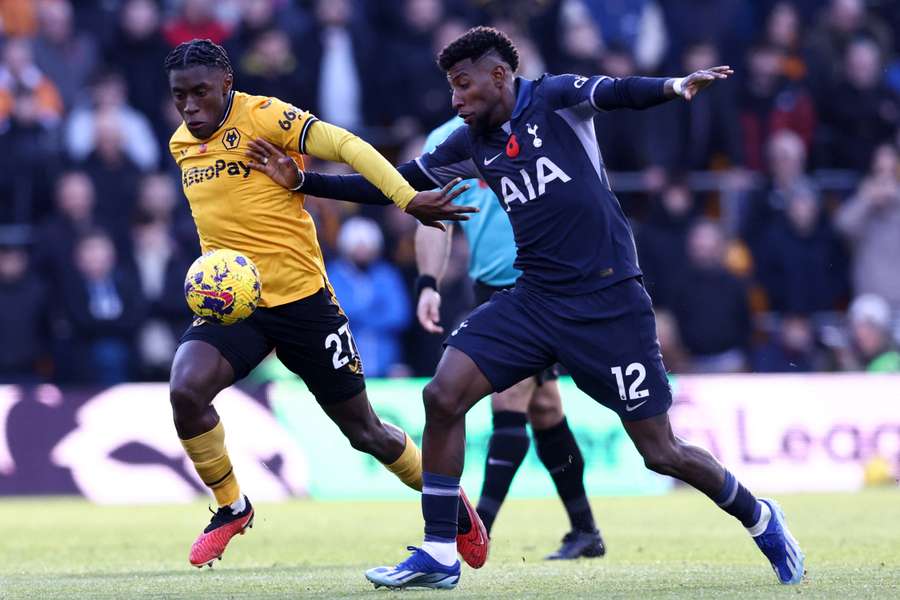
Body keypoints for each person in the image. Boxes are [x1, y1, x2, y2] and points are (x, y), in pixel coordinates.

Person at [250, 27, 805, 590]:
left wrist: (672, 85)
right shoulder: (469, 142)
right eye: (450, 88)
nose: (456, 99)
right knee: (443, 396)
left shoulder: (556, 97)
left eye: (463, 85)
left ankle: (761, 518)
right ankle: (440, 551)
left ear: (499, 76)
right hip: (533, 299)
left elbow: (616, 91)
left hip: (608, 303)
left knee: (661, 451)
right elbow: (402, 183)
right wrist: (304, 181)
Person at [162, 39, 487, 570]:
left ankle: (448, 503)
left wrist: (407, 198)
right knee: (185, 390)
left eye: (201, 93)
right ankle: (231, 507)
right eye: (180, 97)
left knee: (366, 432)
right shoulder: (182, 144)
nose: (191, 106)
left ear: (227, 84)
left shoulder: (265, 117)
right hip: (236, 304)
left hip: (304, 303)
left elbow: (348, 145)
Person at [414, 115, 604, 559]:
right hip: (490, 286)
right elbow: (434, 220)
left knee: (511, 401)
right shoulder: (444, 141)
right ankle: (585, 531)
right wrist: (428, 281)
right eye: (456, 83)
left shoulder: (534, 125)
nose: (463, 93)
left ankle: (478, 528)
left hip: (539, 283)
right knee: (544, 408)